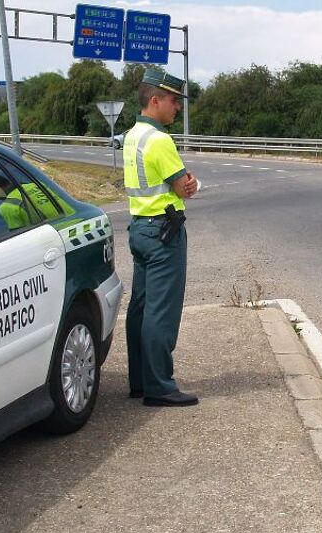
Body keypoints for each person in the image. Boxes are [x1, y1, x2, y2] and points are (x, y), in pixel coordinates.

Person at [123, 69, 200, 407]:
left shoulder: (132, 136)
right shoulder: (159, 140)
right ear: (155, 100)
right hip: (163, 232)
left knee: (140, 308)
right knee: (161, 312)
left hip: (140, 227)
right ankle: (159, 387)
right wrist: (189, 183)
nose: (177, 107)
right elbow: (184, 187)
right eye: (173, 101)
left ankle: (140, 381)